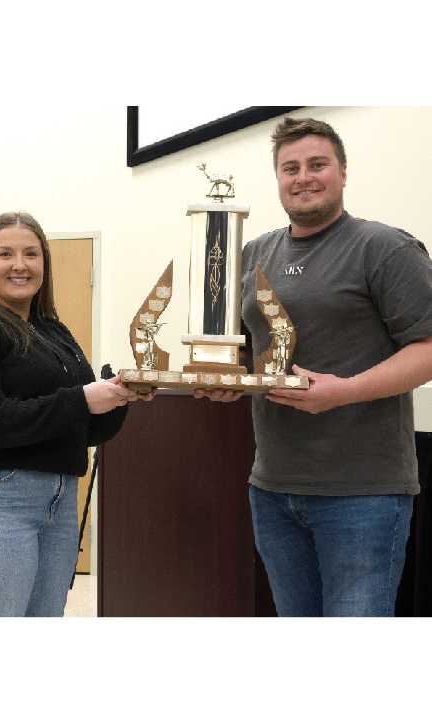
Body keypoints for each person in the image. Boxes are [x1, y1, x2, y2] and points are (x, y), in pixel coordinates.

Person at [197, 117, 432, 616]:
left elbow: (428, 349)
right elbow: (247, 352)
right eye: (290, 168)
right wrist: (229, 381)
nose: (303, 177)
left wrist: (343, 391)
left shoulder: (385, 248)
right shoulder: (254, 252)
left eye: (317, 164)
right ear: (278, 179)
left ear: (343, 172)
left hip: (364, 493)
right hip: (273, 488)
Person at [0, 211, 137, 617]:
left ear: (45, 264)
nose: (20, 265)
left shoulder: (52, 331)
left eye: (31, 254)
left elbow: (81, 428)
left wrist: (117, 399)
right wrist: (81, 400)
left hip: (57, 500)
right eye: (5, 254)